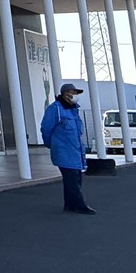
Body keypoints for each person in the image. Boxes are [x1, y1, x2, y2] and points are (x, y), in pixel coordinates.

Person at [40, 83, 96, 215]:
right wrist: (51, 144)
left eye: (76, 93)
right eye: (73, 92)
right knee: (72, 179)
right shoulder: (55, 109)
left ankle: (70, 204)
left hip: (75, 150)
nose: (75, 95)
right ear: (65, 93)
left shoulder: (73, 109)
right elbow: (46, 129)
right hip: (63, 150)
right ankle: (79, 205)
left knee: (75, 178)